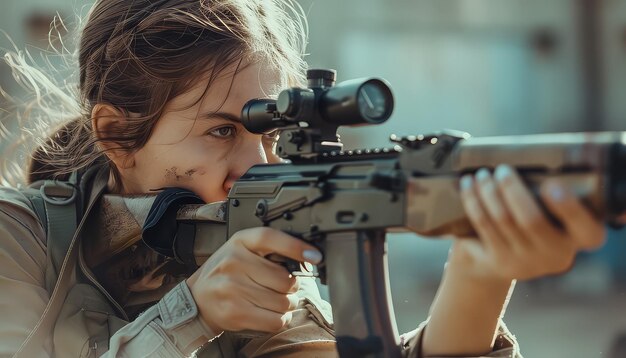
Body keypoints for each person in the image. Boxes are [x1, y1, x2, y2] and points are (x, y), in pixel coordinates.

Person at [0, 0, 606, 357]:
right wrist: (191, 314)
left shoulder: (256, 253)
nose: (259, 167)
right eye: (220, 132)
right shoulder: (18, 237)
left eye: (266, 133)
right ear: (114, 134)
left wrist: (480, 269)